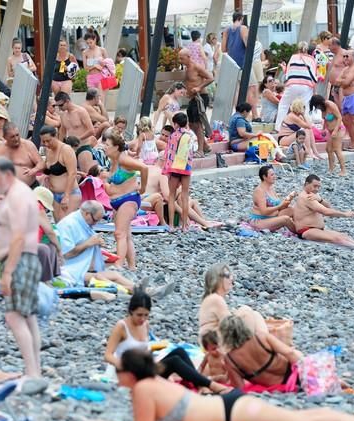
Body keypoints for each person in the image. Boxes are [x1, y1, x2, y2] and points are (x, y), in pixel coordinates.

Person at [82, 348, 354, 421]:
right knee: (305, 419)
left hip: (232, 412)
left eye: (119, 371)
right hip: (230, 409)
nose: (117, 376)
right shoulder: (150, 386)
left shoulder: (143, 390)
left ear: (129, 373)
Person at [103, 289, 229, 395]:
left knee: (179, 351)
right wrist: (126, 366)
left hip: (144, 368)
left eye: (146, 315)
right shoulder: (121, 327)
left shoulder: (145, 325)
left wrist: (153, 365)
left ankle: (201, 385)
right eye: (139, 315)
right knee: (174, 362)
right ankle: (211, 385)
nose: (142, 319)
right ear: (131, 311)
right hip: (129, 372)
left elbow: (146, 351)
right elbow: (108, 355)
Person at [0, 157, 44, 383]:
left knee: (14, 316)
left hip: (19, 260)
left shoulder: (18, 195)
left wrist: (8, 272)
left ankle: (32, 372)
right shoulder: (17, 193)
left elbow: (19, 237)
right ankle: (35, 370)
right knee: (27, 316)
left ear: (7, 175)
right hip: (23, 260)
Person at [57, 201, 168, 294]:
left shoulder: (83, 222)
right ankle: (137, 291)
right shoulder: (69, 224)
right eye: (95, 220)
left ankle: (147, 290)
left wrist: (102, 252)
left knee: (114, 275)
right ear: (86, 214)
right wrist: (88, 243)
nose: (95, 224)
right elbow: (66, 254)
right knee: (100, 278)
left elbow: (84, 246)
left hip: (82, 268)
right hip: (69, 271)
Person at [292, 174, 354, 251]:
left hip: (316, 229)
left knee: (343, 235)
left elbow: (328, 206)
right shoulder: (306, 197)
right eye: (314, 186)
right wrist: (345, 214)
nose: (316, 189)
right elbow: (326, 211)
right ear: (306, 184)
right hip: (307, 231)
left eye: (318, 187)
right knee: (337, 239)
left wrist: (320, 199)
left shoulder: (313, 195)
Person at [220, 314, 303, 389]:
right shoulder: (261, 337)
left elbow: (239, 386)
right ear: (244, 327)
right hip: (293, 373)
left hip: (277, 384)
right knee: (297, 352)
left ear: (224, 335)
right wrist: (305, 371)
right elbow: (289, 352)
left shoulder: (230, 359)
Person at [104, 132, 148, 269]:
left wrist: (143, 188)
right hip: (119, 201)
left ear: (116, 147)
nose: (104, 147)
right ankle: (132, 266)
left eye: (107, 145)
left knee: (119, 233)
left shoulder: (123, 160)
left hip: (128, 200)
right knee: (126, 235)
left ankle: (119, 264)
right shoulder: (113, 161)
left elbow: (144, 167)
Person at [198, 263, 269, 341]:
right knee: (247, 312)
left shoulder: (211, 298)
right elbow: (228, 326)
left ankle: (263, 343)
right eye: (227, 275)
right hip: (214, 344)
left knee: (254, 315)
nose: (231, 278)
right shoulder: (215, 299)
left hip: (212, 341)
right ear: (217, 279)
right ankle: (262, 344)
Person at [39, 125, 81, 221]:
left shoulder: (66, 150)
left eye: (48, 141)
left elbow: (72, 173)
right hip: (54, 194)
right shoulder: (48, 150)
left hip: (69, 194)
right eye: (43, 141)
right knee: (58, 225)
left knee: (64, 225)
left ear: (56, 136)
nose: (46, 144)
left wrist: (66, 196)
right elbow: (48, 170)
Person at [275, 41, 319, 131]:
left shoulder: (293, 57)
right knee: (305, 106)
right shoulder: (311, 59)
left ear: (298, 48)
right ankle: (305, 127)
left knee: (284, 104)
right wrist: (315, 89)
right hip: (306, 86)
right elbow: (314, 76)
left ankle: (279, 127)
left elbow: (288, 73)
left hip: (292, 84)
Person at [162, 113, 195, 231]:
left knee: (171, 195)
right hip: (186, 167)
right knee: (185, 196)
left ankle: (171, 225)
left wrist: (166, 169)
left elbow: (169, 153)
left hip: (174, 166)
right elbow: (192, 152)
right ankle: (184, 226)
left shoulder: (173, 135)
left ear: (175, 123)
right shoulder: (191, 135)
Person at [179, 49, 213, 158]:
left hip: (201, 97)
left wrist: (199, 87)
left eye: (182, 58)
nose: (180, 60)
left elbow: (210, 78)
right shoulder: (186, 68)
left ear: (189, 56)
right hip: (192, 98)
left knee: (198, 124)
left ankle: (201, 150)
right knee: (192, 123)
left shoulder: (196, 67)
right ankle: (206, 146)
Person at [0, 122, 44, 188]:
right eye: (12, 137)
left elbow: (41, 163)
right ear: (5, 137)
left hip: (28, 188)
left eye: (17, 135)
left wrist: (33, 170)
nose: (16, 139)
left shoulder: (28, 145)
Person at [249, 165, 295, 232]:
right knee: (286, 219)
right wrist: (280, 206)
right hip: (261, 220)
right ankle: (299, 233)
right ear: (264, 177)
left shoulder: (271, 188)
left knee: (294, 210)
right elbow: (264, 211)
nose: (275, 177)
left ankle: (304, 227)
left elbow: (279, 208)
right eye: (272, 175)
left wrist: (288, 200)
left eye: (274, 174)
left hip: (274, 216)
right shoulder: (259, 191)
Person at [310, 94, 345, 175]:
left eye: (317, 106)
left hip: (338, 129)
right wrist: (323, 129)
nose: (317, 108)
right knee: (328, 149)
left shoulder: (330, 105)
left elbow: (339, 117)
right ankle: (331, 168)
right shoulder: (323, 109)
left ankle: (343, 170)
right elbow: (326, 119)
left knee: (337, 149)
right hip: (330, 131)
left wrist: (335, 130)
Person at [337, 49, 354, 151]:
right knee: (346, 120)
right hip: (346, 98)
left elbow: (345, 82)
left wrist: (344, 81)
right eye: (343, 56)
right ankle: (353, 143)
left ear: (353, 57)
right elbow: (336, 81)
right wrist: (344, 81)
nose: (345, 58)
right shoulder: (346, 69)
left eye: (347, 56)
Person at [328, 37, 346, 107]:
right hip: (335, 85)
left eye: (329, 45)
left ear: (335, 45)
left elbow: (350, 68)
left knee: (342, 105)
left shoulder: (344, 54)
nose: (328, 47)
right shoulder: (335, 55)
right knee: (337, 106)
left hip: (342, 85)